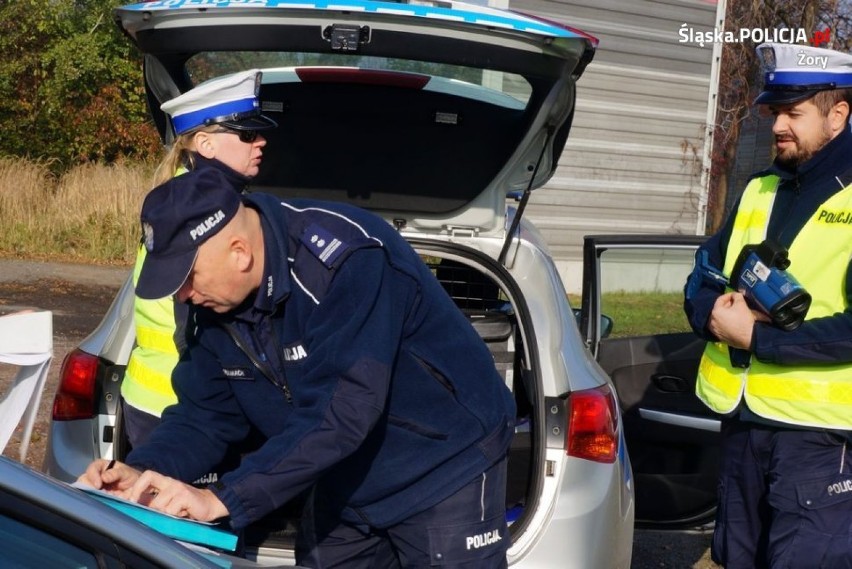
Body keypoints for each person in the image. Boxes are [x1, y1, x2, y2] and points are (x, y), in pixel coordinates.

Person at [80, 167, 517, 568]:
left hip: (443, 465)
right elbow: (204, 416)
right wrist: (145, 472)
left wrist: (224, 498)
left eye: (188, 278)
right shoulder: (210, 303)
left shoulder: (348, 261)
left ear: (239, 252)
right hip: (341, 475)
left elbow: (343, 409)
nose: (182, 296)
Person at [684, 42, 852, 569]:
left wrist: (758, 338)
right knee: (737, 556)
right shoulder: (759, 188)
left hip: (819, 437)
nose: (779, 124)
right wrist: (710, 314)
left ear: (838, 115)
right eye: (775, 111)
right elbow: (705, 272)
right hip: (744, 422)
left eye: (793, 113)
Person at [122, 69, 276, 467]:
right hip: (181, 409)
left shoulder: (178, 198)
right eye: (245, 134)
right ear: (205, 143)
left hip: (162, 401)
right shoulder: (198, 216)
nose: (260, 141)